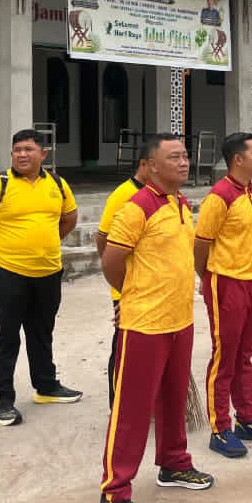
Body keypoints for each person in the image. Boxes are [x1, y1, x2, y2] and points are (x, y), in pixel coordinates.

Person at [99, 134, 215, 503]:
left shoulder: (179, 204)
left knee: (173, 400)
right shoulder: (137, 208)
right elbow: (112, 260)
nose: (183, 162)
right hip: (145, 325)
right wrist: (127, 297)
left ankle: (174, 463)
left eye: (185, 156)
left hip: (179, 320)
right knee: (132, 411)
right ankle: (115, 491)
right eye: (173, 157)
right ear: (150, 166)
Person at [0, 128, 81, 427]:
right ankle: (2, 401)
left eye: (29, 149)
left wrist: (45, 242)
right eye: (17, 150)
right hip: (8, 273)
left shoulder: (57, 184)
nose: (22, 154)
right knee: (5, 336)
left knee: (42, 332)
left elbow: (69, 218)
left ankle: (46, 387)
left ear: (44, 154)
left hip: (48, 272)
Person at [194, 133, 252, 459]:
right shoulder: (219, 196)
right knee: (225, 356)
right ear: (238, 159)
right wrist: (206, 277)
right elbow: (201, 244)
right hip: (227, 283)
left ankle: (247, 418)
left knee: (245, 355)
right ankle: (220, 428)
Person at [96, 144, 152, 408]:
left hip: (157, 288)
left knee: (151, 349)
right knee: (125, 348)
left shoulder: (167, 195)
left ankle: (147, 401)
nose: (179, 164)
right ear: (145, 164)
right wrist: (123, 288)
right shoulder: (124, 195)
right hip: (129, 287)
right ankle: (119, 405)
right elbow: (103, 239)